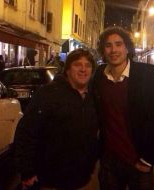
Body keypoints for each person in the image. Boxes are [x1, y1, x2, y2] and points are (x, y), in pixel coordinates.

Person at [91, 26, 154, 190]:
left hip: (139, 161)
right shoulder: (99, 75)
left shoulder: (147, 74)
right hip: (109, 162)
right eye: (108, 45)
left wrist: (148, 158)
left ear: (127, 48)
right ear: (103, 50)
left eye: (118, 44)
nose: (113, 50)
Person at [14, 48, 99, 190]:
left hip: (82, 179)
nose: (83, 69)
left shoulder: (93, 97)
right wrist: (27, 172)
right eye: (78, 65)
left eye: (88, 65)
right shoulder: (48, 94)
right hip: (50, 180)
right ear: (67, 70)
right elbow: (26, 132)